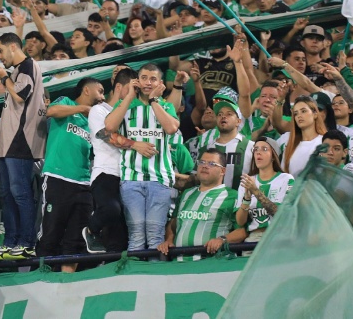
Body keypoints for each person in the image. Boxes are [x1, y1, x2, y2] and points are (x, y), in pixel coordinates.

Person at [105, 63, 180, 252]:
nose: (148, 82)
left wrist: (154, 101)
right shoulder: (127, 106)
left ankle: (153, 271)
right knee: (136, 235)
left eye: (153, 79)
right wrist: (130, 96)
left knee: (155, 236)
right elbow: (109, 127)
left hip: (160, 179)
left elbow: (171, 128)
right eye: (144, 78)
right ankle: (135, 271)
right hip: (131, 179)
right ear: (137, 81)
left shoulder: (166, 106)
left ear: (160, 83)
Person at [0, 33, 47, 261]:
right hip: (7, 141)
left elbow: (21, 95)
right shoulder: (16, 71)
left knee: (20, 193)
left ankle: (27, 243)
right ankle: (10, 242)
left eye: (0, 51)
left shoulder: (28, 65)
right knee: (7, 195)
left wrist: (4, 78)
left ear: (13, 46)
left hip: (21, 140)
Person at [37, 76, 102, 272]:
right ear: (86, 90)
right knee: (50, 234)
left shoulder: (94, 122)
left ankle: (67, 282)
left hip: (84, 184)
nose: (102, 96)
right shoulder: (66, 102)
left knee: (76, 240)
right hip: (58, 178)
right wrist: (82, 109)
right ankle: (41, 278)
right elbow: (51, 111)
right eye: (100, 91)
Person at [157, 148, 245, 260]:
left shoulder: (232, 196)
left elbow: (243, 231)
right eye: (202, 162)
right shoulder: (186, 193)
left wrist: (222, 239)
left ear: (223, 171)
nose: (205, 166)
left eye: (212, 164)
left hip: (212, 262)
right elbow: (173, 223)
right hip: (180, 262)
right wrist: (169, 240)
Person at [84, 67, 135, 254]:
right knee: (111, 209)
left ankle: (116, 267)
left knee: (120, 236)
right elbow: (107, 136)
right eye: (132, 88)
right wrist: (136, 145)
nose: (134, 93)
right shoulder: (98, 110)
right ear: (119, 87)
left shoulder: (131, 113)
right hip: (106, 173)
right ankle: (90, 229)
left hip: (128, 176)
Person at [235, 138, 294, 242]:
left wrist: (256, 192)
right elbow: (240, 222)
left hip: (278, 236)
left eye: (264, 149)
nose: (258, 152)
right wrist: (246, 199)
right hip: (253, 237)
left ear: (273, 156)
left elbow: (281, 215)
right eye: (256, 149)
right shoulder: (247, 181)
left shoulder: (286, 179)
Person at [278, 95, 326, 178]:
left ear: (315, 114)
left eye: (303, 111)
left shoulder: (324, 141)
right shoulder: (289, 144)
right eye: (296, 114)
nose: (299, 116)